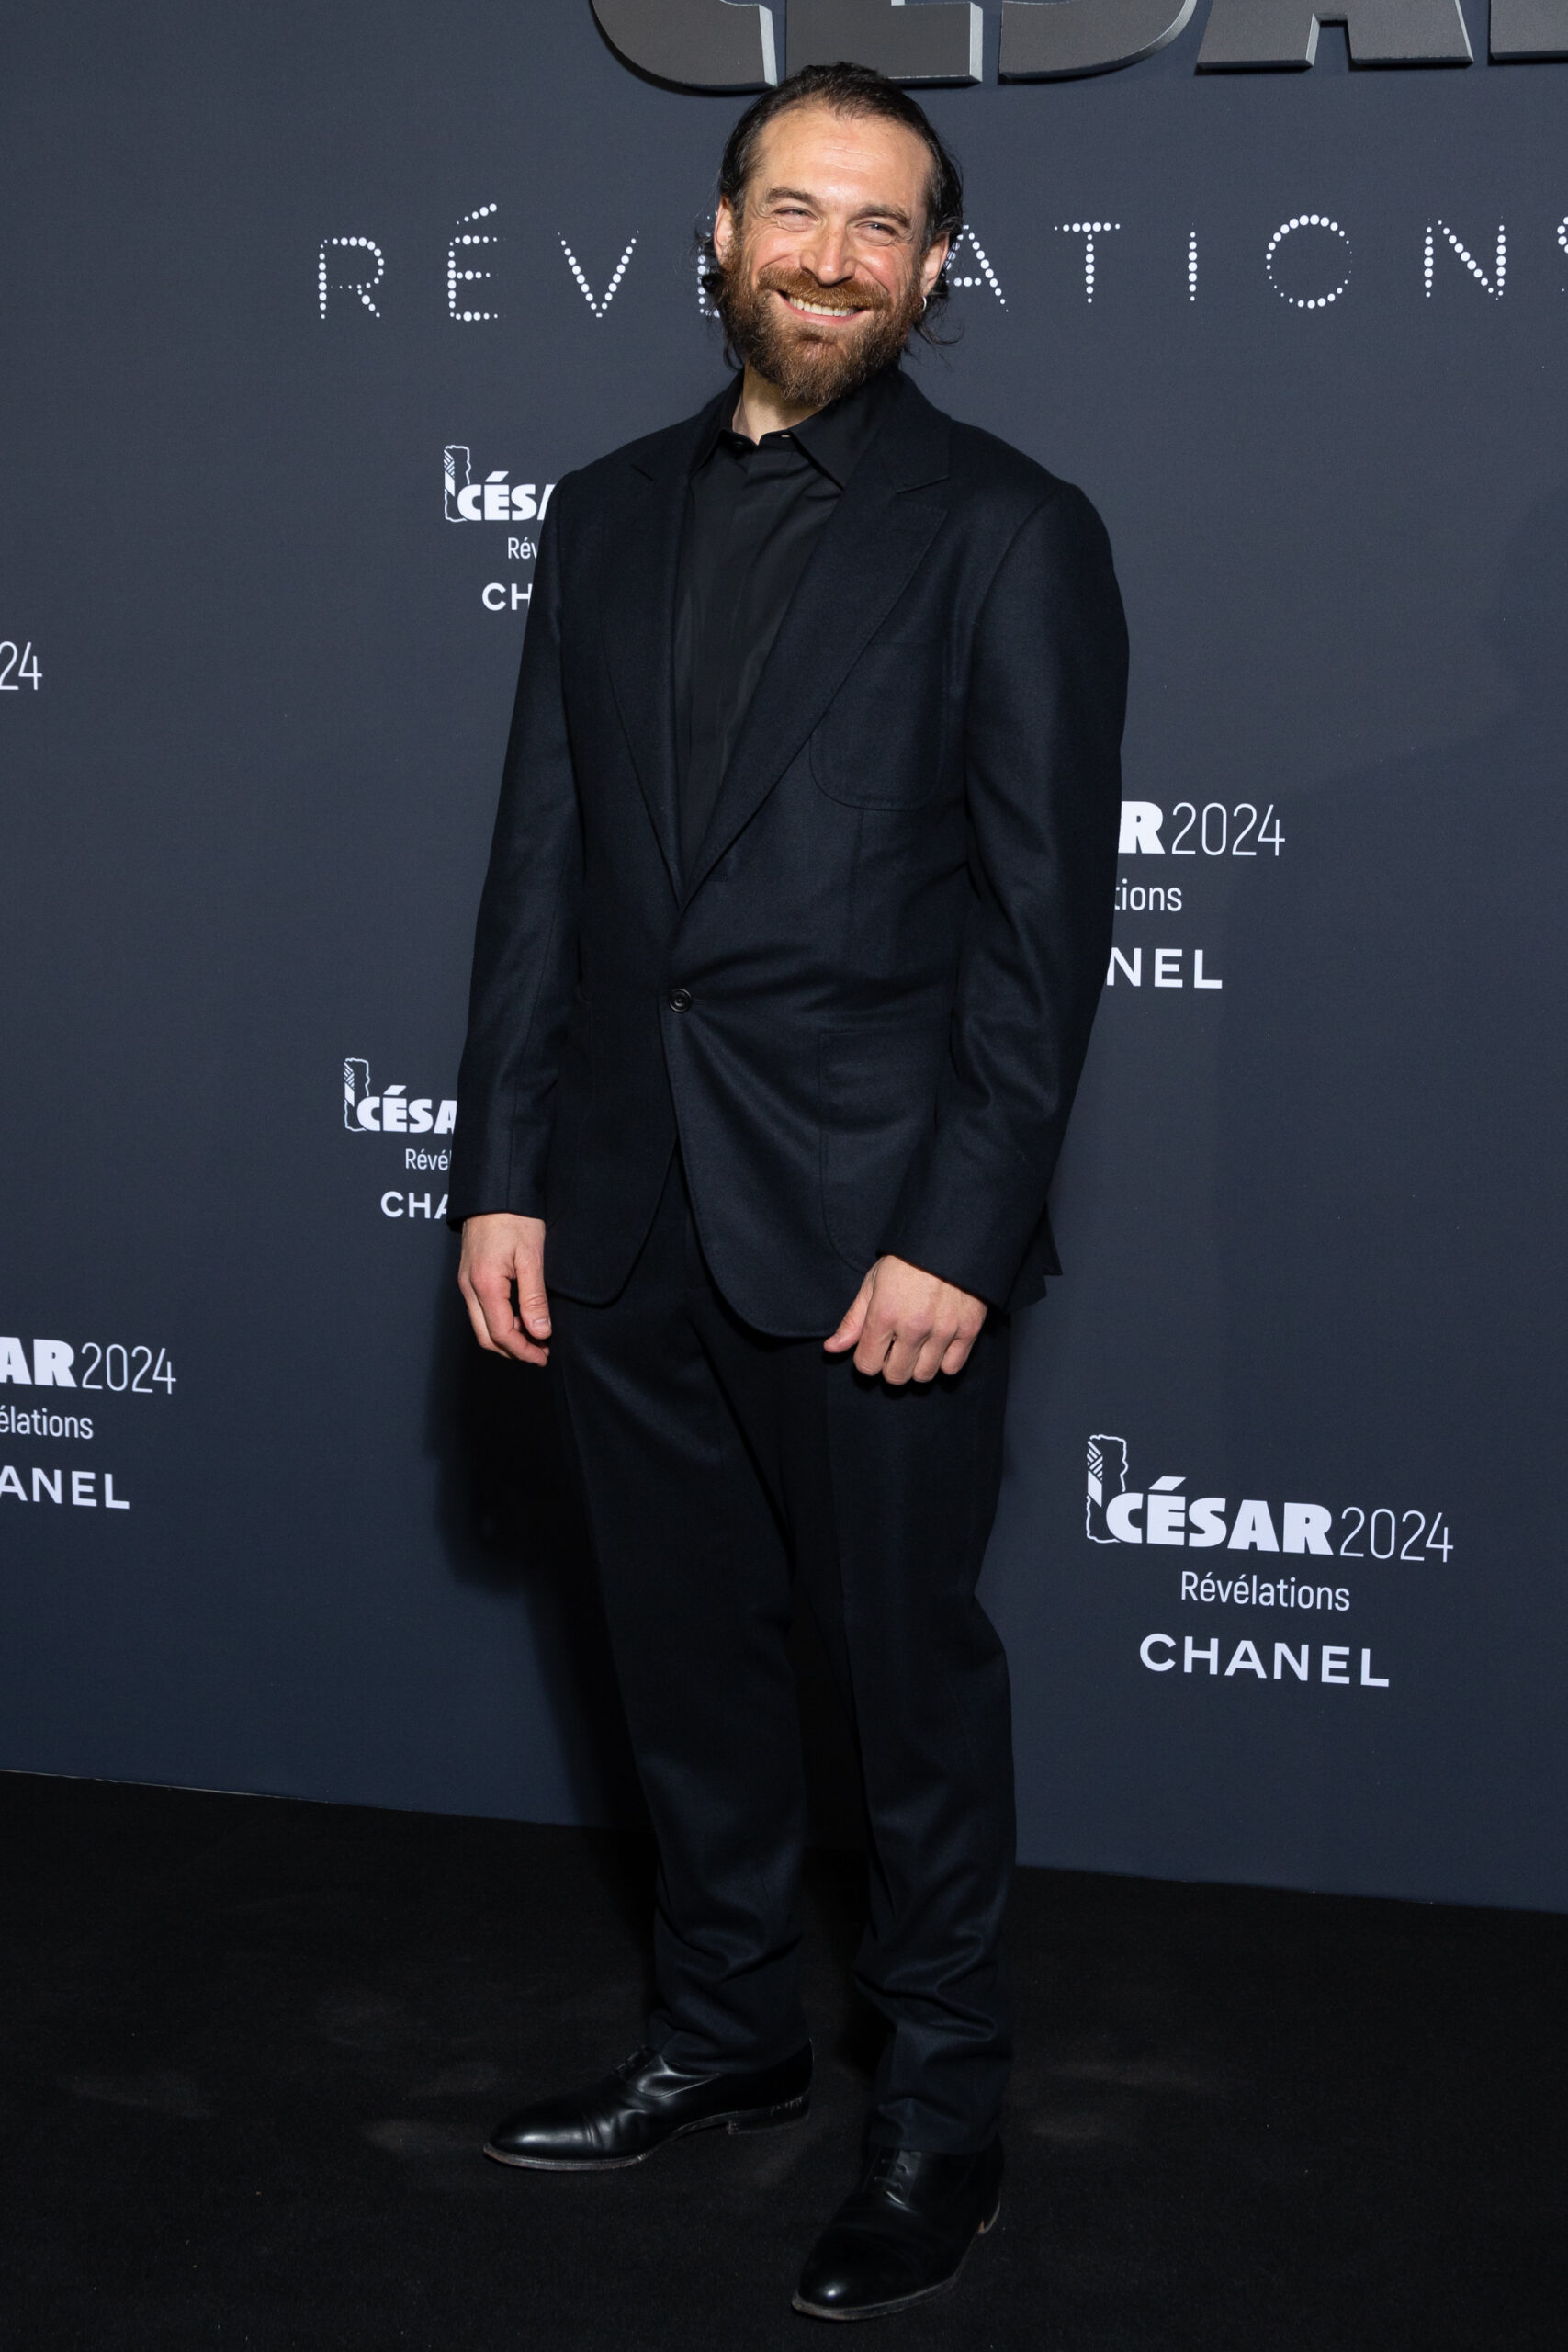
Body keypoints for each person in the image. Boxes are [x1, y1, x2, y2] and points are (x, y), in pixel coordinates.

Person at [449, 61, 1126, 2322]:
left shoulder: (1009, 533)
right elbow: (540, 872)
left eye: (880, 224)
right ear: (716, 236)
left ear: (933, 272)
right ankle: (724, 2035)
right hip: (624, 1207)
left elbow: (1040, 935)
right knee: (680, 1670)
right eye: (796, 210)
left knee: (904, 1695)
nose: (831, 256)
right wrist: (503, 1169)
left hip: (871, 1237)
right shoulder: (598, 515)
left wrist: (957, 1230)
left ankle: (938, 2110)